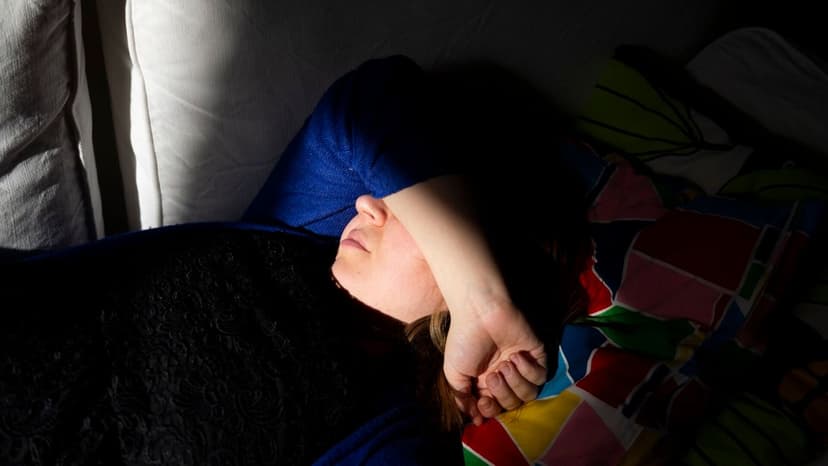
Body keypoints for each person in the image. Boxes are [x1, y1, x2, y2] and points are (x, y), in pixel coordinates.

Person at [0, 55, 585, 464]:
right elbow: (376, 98)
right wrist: (480, 299)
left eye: (403, 202)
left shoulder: (390, 433)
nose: (367, 201)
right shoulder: (305, 231)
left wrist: (479, 323)